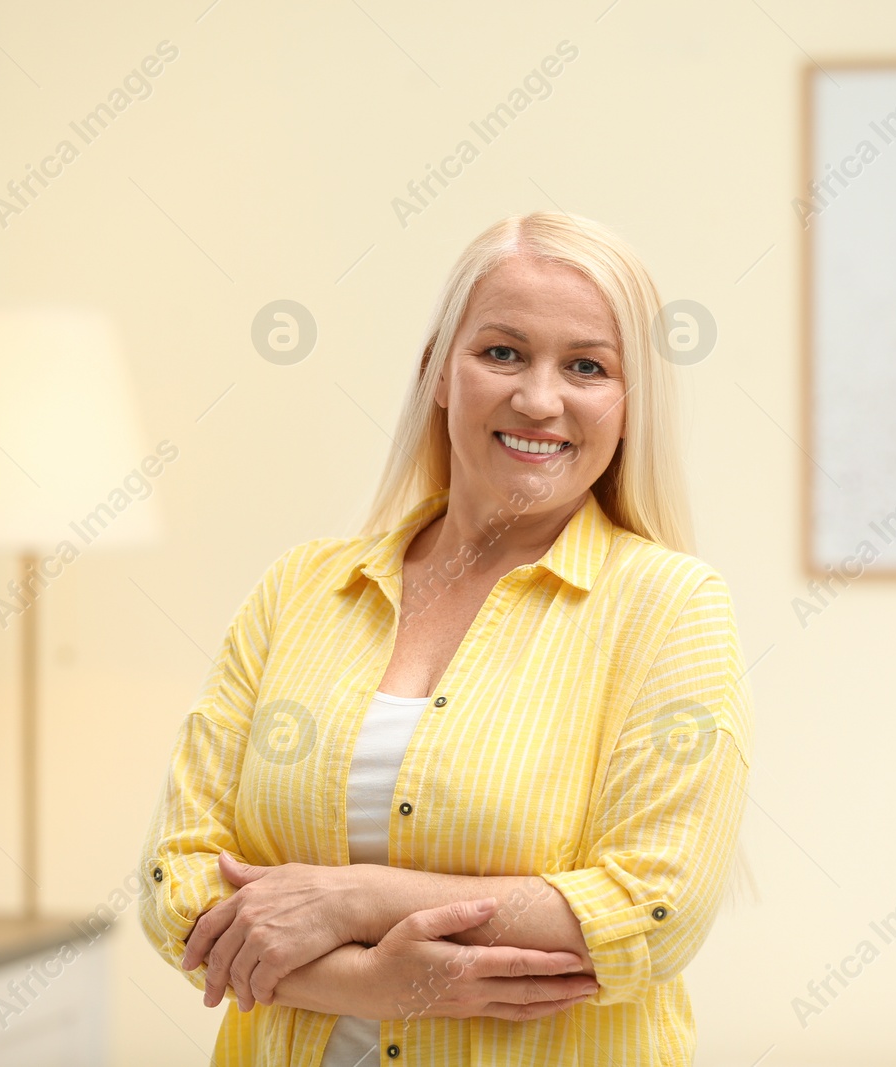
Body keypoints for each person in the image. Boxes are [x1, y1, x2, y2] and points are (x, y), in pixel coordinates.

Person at [138, 211, 753, 1066]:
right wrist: (367, 987)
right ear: (437, 372)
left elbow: (652, 908)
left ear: (628, 402)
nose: (539, 399)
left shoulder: (671, 606)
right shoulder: (299, 589)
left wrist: (353, 899)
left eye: (586, 365)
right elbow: (177, 880)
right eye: (502, 352)